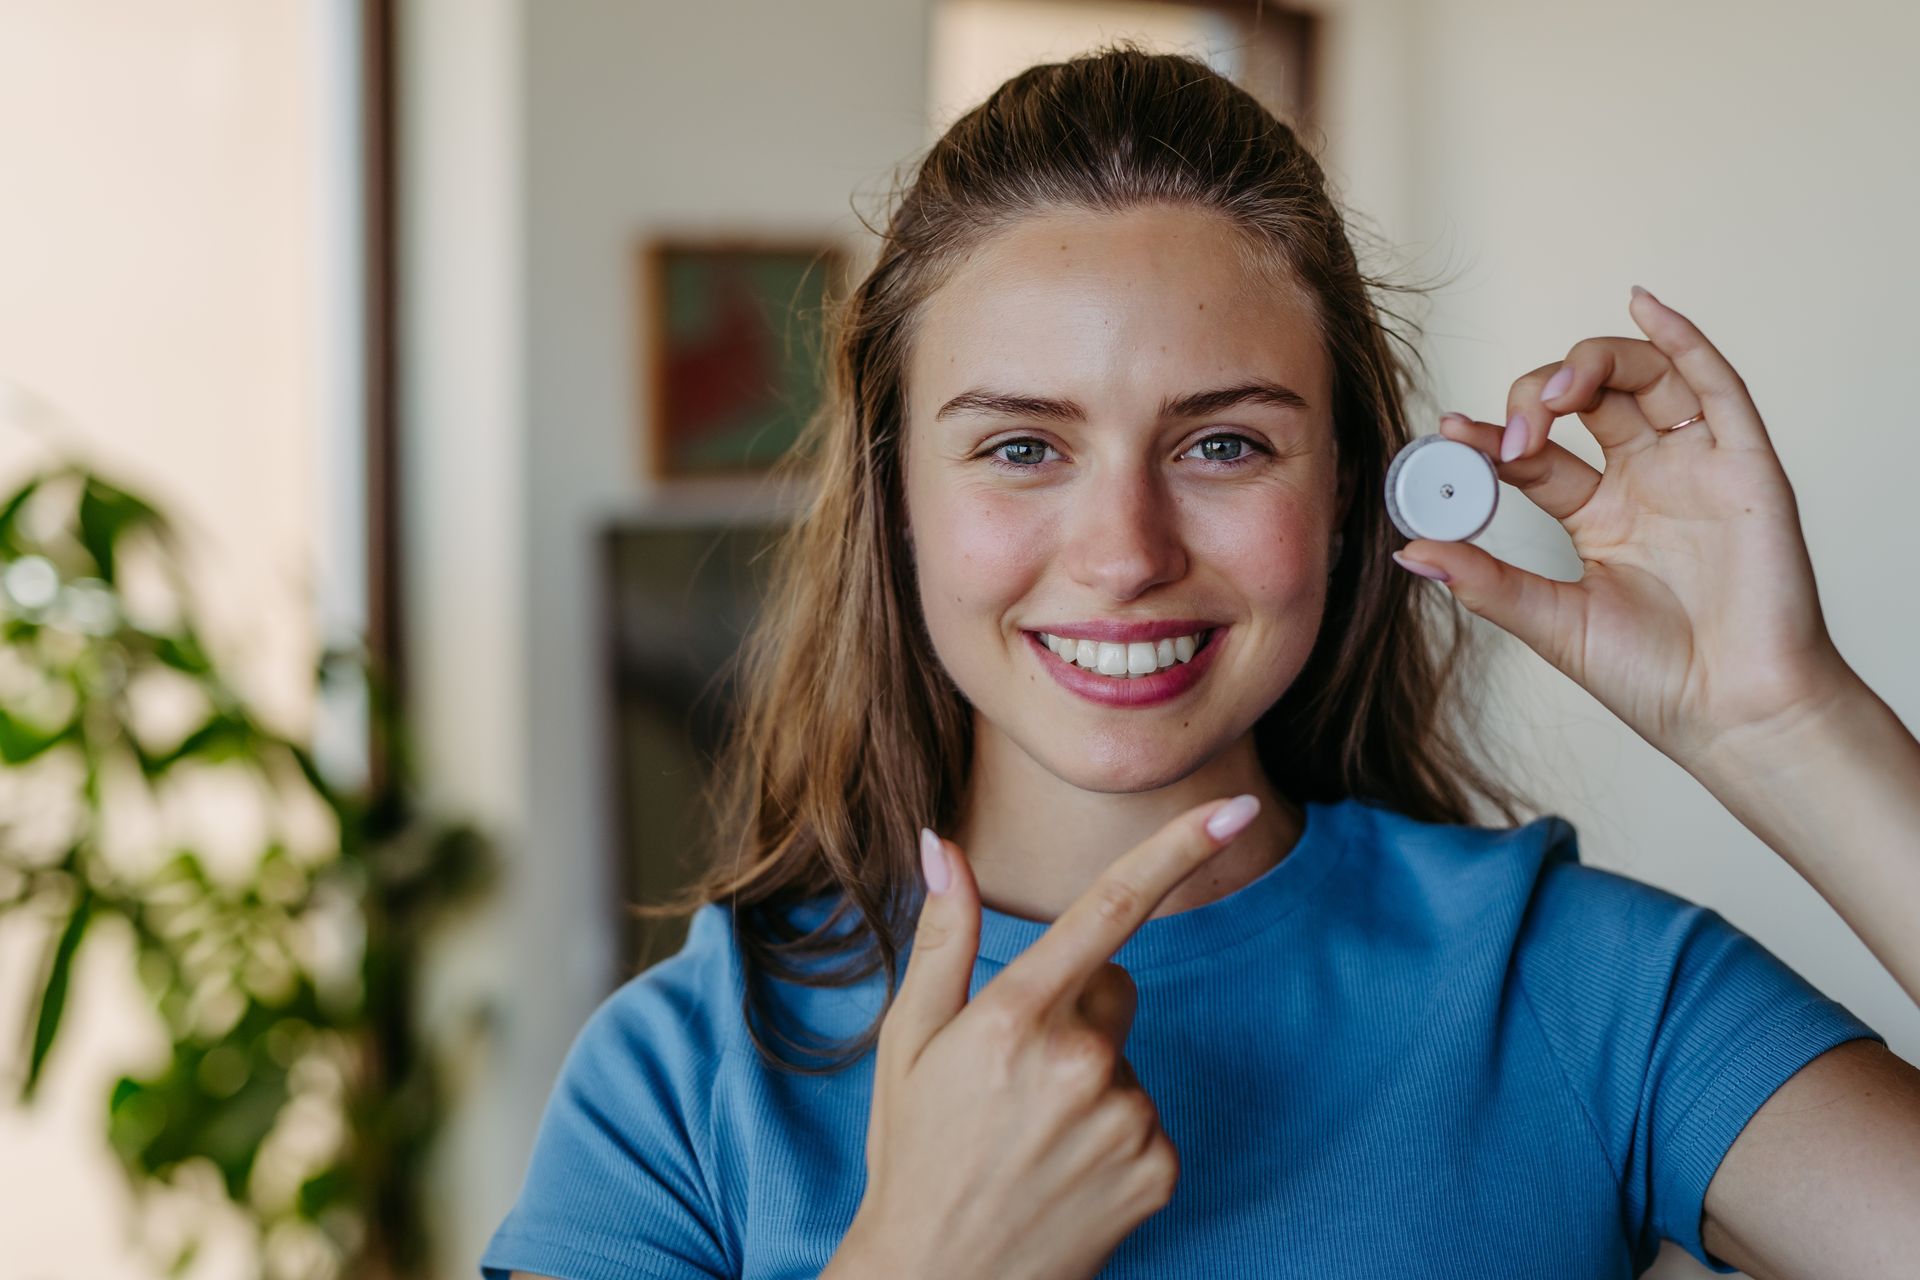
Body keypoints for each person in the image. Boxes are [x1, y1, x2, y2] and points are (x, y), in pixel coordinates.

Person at [482, 45, 1920, 1280]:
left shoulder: (1577, 987)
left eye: (1224, 442)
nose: (1124, 551)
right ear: (896, 495)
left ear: (1346, 487)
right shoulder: (685, 1077)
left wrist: (1785, 722)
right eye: (1023, 447)